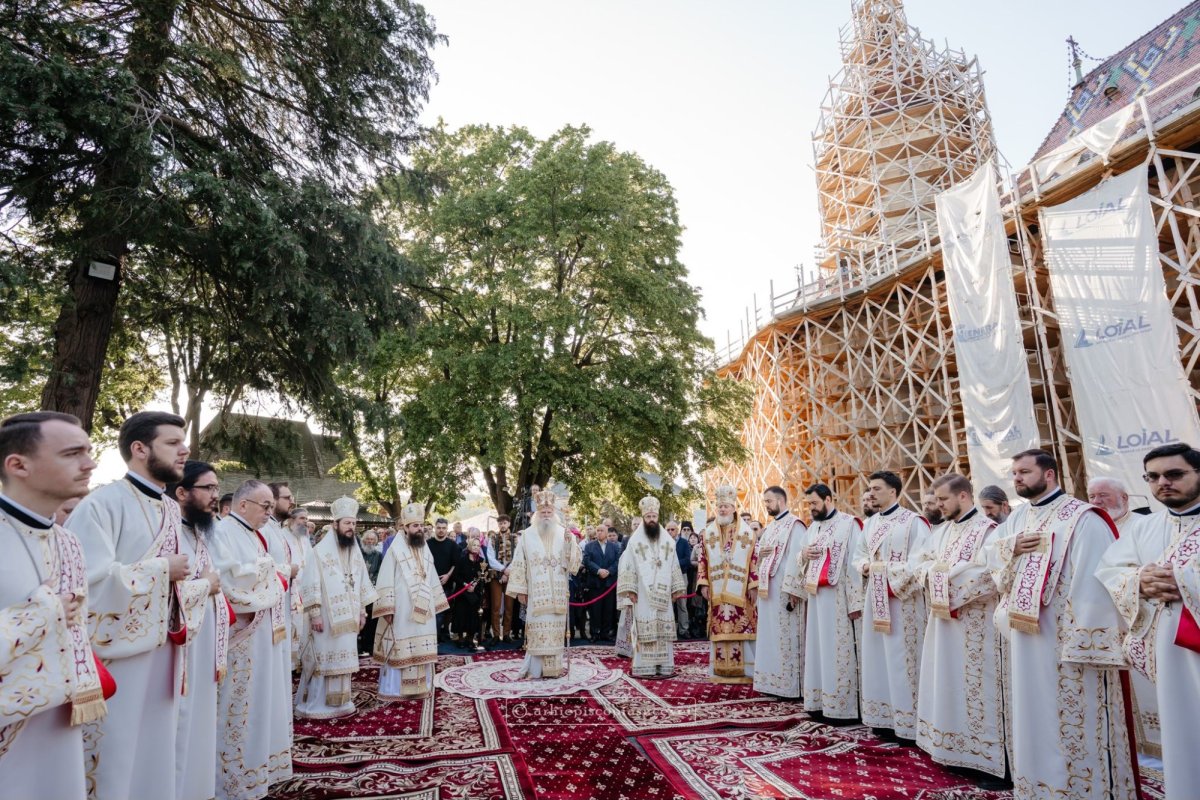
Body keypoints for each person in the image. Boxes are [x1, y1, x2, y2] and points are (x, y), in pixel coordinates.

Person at [987, 449, 1136, 800]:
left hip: (1065, 641)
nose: (1017, 479)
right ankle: (1038, 785)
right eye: (1015, 473)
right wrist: (1009, 548)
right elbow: (990, 555)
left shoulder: (1084, 518)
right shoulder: (1018, 518)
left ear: (1050, 474)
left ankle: (1086, 789)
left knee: (1073, 720)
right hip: (1025, 635)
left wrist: (1084, 641)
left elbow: (1095, 580)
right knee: (1032, 713)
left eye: (1024, 472)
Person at [65, 411, 198, 800]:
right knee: (116, 755)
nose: (184, 450)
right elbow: (87, 582)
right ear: (139, 449)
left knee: (155, 750)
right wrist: (161, 569)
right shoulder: (102, 505)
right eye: (172, 443)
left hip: (163, 651)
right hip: (118, 656)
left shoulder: (169, 507)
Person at [0, 412, 109, 799]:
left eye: (89, 451)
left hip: (59, 716)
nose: (90, 463)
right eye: (72, 453)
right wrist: (44, 611)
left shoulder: (67, 542)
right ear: (18, 465)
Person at [1097, 442, 1200, 797]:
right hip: (1168, 653)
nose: (1163, 483)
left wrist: (1184, 581)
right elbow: (1111, 569)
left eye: (1174, 474)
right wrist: (1139, 579)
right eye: (1153, 477)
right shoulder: (1145, 527)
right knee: (1183, 730)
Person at [913, 474, 1006, 779]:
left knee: (978, 689)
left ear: (963, 496)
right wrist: (938, 575)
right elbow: (920, 564)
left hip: (976, 625)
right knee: (947, 682)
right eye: (936, 500)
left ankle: (985, 758)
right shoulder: (941, 532)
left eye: (942, 499)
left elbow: (991, 574)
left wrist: (943, 577)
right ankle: (951, 748)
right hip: (942, 623)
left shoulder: (988, 531)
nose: (937, 505)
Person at [211, 479, 290, 799]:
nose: (270, 514)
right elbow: (231, 581)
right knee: (239, 712)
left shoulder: (253, 534)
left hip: (259, 638)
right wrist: (274, 572)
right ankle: (233, 781)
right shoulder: (224, 532)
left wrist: (271, 571)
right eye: (265, 507)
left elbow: (261, 572)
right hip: (240, 639)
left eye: (272, 507)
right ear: (243, 505)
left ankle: (258, 770)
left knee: (259, 704)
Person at [850, 470, 930, 739]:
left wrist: (885, 572)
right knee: (877, 655)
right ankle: (882, 717)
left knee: (902, 657)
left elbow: (920, 562)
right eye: (869, 488)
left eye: (876, 488)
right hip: (875, 597)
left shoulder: (913, 522)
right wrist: (865, 566)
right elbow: (859, 554)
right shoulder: (870, 524)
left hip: (902, 601)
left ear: (893, 492)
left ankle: (908, 723)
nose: (870, 493)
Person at [170, 461, 230, 800]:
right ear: (182, 492)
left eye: (216, 489)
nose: (215, 496)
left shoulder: (199, 532)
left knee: (199, 726)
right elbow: (161, 595)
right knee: (182, 725)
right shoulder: (169, 534)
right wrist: (205, 587)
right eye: (208, 488)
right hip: (181, 650)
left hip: (205, 645)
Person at [1089, 475, 1160, 760]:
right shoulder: (1089, 527)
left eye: (1103, 495)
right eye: (1092, 496)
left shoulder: (1143, 526)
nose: (1096, 502)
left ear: (1125, 498)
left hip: (1142, 620)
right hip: (1105, 622)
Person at [295, 497, 377, 719]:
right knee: (324, 660)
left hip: (348, 619)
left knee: (343, 661)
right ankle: (317, 704)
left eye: (353, 524)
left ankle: (341, 703)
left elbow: (359, 584)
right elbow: (309, 583)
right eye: (347, 523)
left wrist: (361, 613)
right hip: (325, 618)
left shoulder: (355, 553)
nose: (351, 528)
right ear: (335, 525)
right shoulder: (319, 552)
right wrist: (314, 615)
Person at [796, 483, 863, 720]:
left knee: (837, 651)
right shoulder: (812, 528)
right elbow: (800, 555)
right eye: (809, 504)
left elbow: (856, 563)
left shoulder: (849, 524)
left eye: (814, 503)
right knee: (817, 650)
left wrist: (855, 602)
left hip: (838, 600)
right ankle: (819, 703)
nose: (811, 508)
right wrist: (803, 555)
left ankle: (841, 707)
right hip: (816, 601)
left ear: (828, 499)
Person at [506, 485, 582, 678]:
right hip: (536, 592)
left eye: (549, 511)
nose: (546, 514)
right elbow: (519, 563)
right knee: (538, 628)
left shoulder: (564, 533)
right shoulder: (527, 535)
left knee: (555, 629)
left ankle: (553, 669)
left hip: (557, 591)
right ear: (537, 513)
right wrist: (521, 590)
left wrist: (569, 546)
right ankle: (536, 670)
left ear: (554, 512)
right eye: (543, 511)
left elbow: (574, 561)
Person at [374, 503, 447, 699]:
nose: (419, 529)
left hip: (423, 609)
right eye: (415, 526)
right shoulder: (395, 550)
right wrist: (387, 608)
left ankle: (421, 687)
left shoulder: (425, 549)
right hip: (401, 610)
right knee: (401, 648)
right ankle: (395, 689)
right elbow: (385, 578)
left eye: (421, 525)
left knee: (422, 646)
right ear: (404, 527)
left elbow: (431, 575)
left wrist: (436, 602)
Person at [617, 496, 687, 677]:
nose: (651, 520)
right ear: (643, 518)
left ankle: (664, 666)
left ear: (658, 517)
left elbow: (674, 564)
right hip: (642, 593)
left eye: (654, 516)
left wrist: (676, 589)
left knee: (663, 630)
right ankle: (644, 667)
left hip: (663, 593)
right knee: (645, 628)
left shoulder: (668, 541)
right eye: (648, 517)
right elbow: (629, 565)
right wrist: (630, 590)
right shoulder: (634, 541)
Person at [698, 485, 759, 683]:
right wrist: (704, 583)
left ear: (733, 507)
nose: (722, 510)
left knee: (742, 626)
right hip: (717, 591)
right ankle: (720, 671)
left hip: (739, 592)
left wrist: (753, 585)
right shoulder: (708, 533)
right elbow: (702, 560)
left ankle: (747, 671)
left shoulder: (747, 532)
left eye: (726, 506)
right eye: (720, 506)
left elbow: (753, 560)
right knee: (720, 627)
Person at [756, 485, 808, 699]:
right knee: (770, 637)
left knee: (786, 637)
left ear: (780, 500)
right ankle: (772, 682)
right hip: (768, 591)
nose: (766, 505)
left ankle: (789, 686)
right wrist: (760, 555)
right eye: (765, 501)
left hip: (785, 592)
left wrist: (794, 590)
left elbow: (798, 560)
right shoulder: (769, 528)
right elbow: (761, 558)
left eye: (769, 501)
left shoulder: (795, 526)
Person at [284, 507, 315, 669]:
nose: (305, 521)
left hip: (304, 589)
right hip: (289, 589)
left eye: (306, 518)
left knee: (304, 626)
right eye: (302, 518)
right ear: (291, 520)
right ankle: (289, 663)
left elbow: (310, 560)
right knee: (292, 626)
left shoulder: (304, 538)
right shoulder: (283, 536)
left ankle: (300, 662)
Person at [583, 524, 621, 641]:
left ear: (606, 532)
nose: (599, 532)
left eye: (602, 530)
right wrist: (599, 570)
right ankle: (595, 633)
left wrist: (609, 571)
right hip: (595, 583)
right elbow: (587, 561)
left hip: (609, 584)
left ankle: (605, 633)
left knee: (608, 609)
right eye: (598, 530)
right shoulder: (589, 546)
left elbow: (618, 561)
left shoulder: (614, 547)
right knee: (595, 610)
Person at [486, 515, 520, 643]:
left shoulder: (516, 538)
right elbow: (490, 558)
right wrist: (503, 570)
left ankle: (506, 634)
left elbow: (517, 556)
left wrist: (508, 572)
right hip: (496, 576)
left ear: (509, 523)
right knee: (495, 606)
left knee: (509, 607)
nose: (502, 525)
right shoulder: (493, 538)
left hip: (511, 576)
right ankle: (495, 635)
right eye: (500, 523)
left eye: (505, 523)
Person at [453, 534, 489, 650]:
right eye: (474, 545)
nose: (476, 547)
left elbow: (483, 578)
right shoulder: (462, 559)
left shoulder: (482, 562)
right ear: (469, 546)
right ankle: (460, 637)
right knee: (460, 614)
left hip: (475, 593)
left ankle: (470, 637)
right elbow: (456, 575)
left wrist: (475, 585)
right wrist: (465, 585)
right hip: (462, 592)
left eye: (478, 545)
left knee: (472, 616)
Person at [426, 517, 458, 642]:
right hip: (430, 583)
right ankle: (432, 637)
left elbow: (455, 564)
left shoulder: (453, 545)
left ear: (447, 529)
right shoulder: (427, 544)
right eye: (438, 528)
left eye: (443, 528)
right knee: (431, 612)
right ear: (435, 528)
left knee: (442, 612)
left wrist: (448, 576)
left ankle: (438, 637)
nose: (441, 530)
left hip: (446, 584)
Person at [358, 529, 384, 656]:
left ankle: (368, 645)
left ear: (376, 541)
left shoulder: (379, 555)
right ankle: (358, 646)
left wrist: (374, 582)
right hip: (357, 591)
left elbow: (381, 571)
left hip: (372, 591)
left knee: (371, 619)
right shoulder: (357, 553)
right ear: (363, 540)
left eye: (372, 540)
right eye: (368, 539)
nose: (370, 542)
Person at [668, 520, 692, 638]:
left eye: (672, 529)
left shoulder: (683, 542)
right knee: (668, 604)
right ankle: (669, 629)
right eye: (668, 529)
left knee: (682, 604)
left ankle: (683, 629)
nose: (670, 532)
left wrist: (674, 563)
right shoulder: (663, 543)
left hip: (681, 575)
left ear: (677, 531)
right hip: (666, 577)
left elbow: (687, 559)